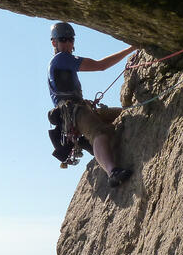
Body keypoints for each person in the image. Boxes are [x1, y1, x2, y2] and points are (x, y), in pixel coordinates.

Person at [47, 21, 137, 187]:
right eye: (63, 39)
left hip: (81, 109)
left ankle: (100, 150)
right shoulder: (61, 59)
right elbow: (100, 66)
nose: (68, 43)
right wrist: (131, 49)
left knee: (123, 113)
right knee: (99, 132)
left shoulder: (62, 62)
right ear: (54, 42)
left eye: (70, 40)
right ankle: (112, 172)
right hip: (74, 112)